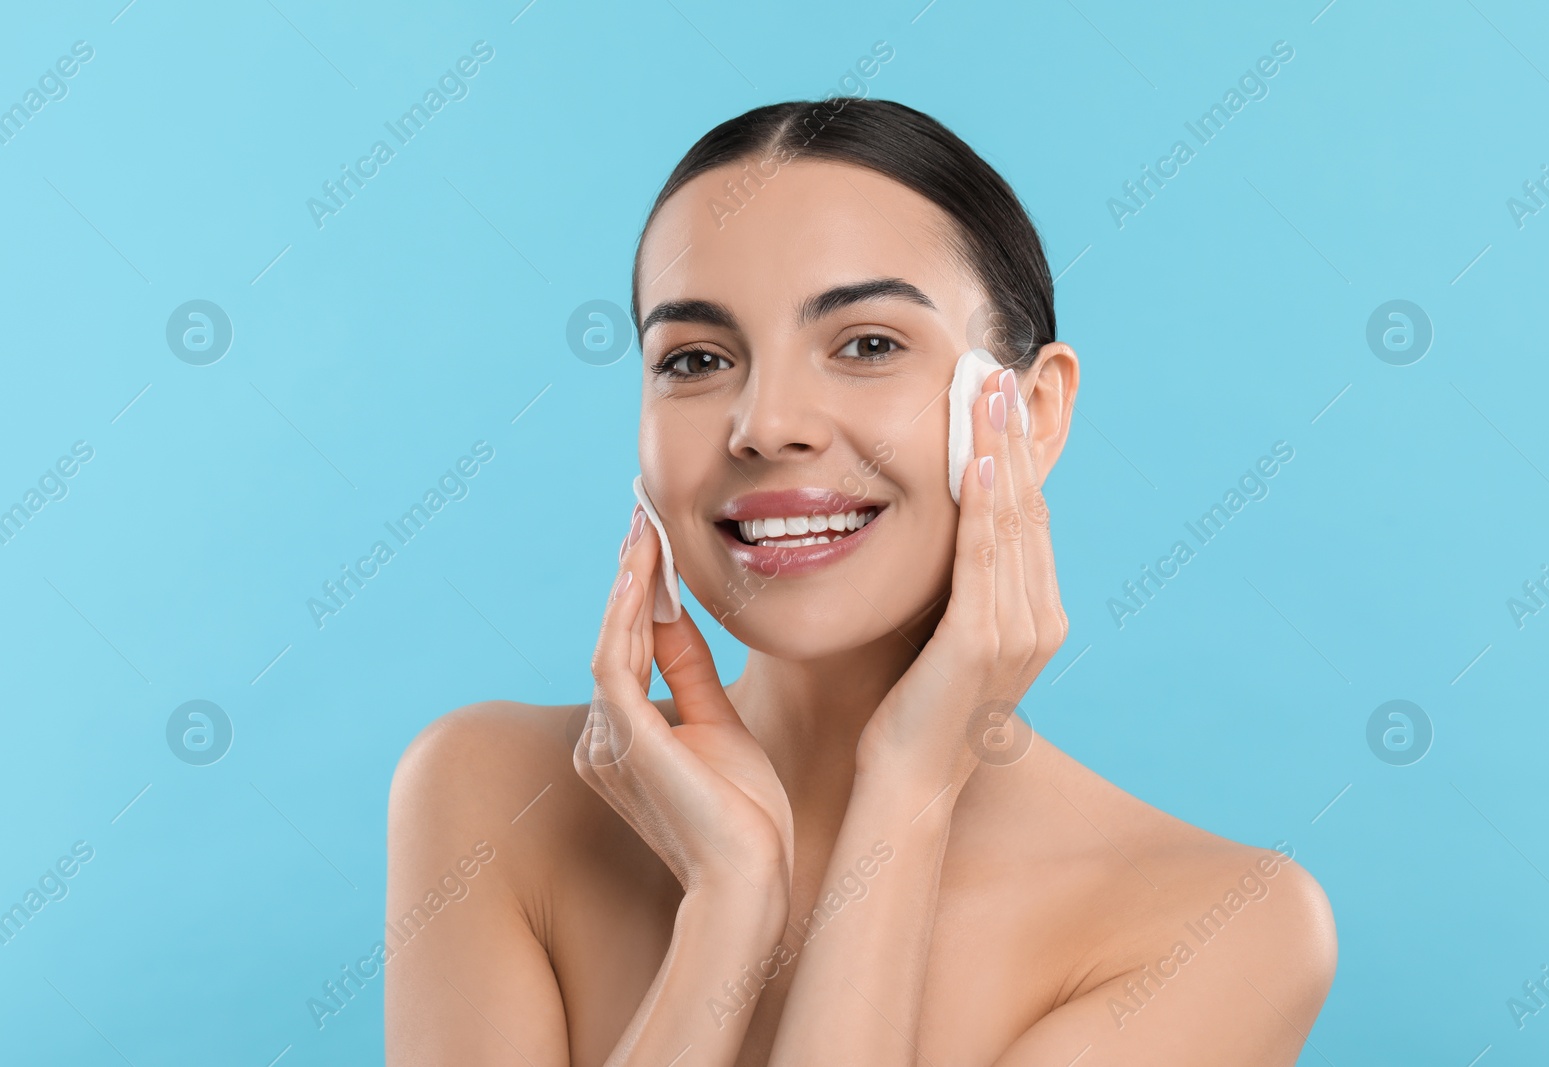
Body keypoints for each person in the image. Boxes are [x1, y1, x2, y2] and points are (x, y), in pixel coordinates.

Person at [385, 97, 1336, 1066]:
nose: (765, 422)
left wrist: (910, 789)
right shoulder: (486, 792)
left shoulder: (1223, 927)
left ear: (1032, 413)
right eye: (696, 358)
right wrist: (726, 907)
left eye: (868, 343)